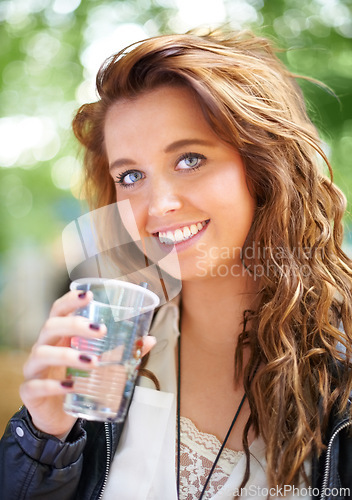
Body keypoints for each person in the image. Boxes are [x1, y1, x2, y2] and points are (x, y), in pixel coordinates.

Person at [1, 27, 352, 500]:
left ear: (264, 167)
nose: (157, 204)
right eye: (130, 175)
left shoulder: (340, 369)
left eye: (190, 159)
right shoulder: (106, 355)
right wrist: (45, 439)